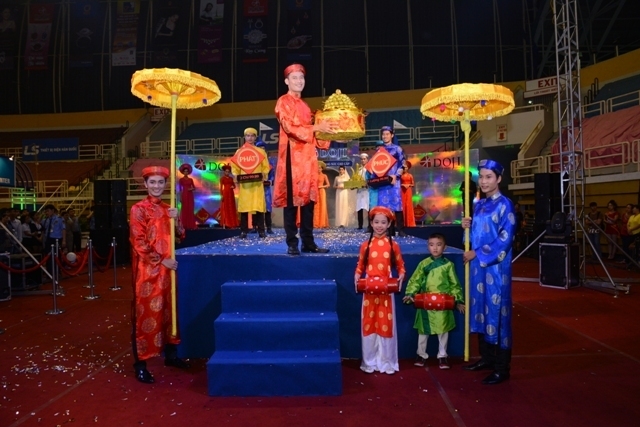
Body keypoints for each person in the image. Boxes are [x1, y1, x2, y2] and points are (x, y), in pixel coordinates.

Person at [129, 166, 188, 384]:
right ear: (145, 184)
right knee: (145, 314)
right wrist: (161, 260)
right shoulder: (138, 209)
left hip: (168, 272)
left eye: (160, 182)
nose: (156, 186)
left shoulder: (168, 209)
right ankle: (141, 364)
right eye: (152, 182)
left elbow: (181, 236)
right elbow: (138, 242)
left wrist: (177, 219)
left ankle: (171, 355)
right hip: (148, 272)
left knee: (169, 312)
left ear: (165, 184)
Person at [461, 159, 516, 385]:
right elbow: (475, 235)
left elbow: (505, 239)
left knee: (497, 313)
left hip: (496, 269)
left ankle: (502, 368)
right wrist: (466, 226)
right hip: (478, 270)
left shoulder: (506, 205)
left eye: (488, 177)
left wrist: (477, 253)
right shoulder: (479, 204)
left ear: (499, 179)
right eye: (481, 177)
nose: (483, 181)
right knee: (481, 310)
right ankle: (487, 358)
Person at [273, 63, 336, 255]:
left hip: (308, 159)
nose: (299, 81)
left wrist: (331, 132)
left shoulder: (306, 106)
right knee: (291, 202)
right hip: (291, 157)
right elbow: (289, 127)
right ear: (287, 81)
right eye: (294, 78)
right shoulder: (283, 101)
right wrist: (316, 128)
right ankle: (292, 243)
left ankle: (308, 242)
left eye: (301, 78)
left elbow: (315, 135)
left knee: (308, 201)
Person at [354, 206, 406, 375]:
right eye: (376, 222)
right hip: (369, 288)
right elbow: (360, 265)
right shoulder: (365, 245)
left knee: (385, 323)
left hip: (386, 288)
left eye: (383, 222)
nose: (379, 226)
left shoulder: (393, 245)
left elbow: (400, 266)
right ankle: (369, 361)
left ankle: (387, 361)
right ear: (371, 223)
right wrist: (357, 275)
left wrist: (401, 276)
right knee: (369, 323)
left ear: (389, 224)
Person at [403, 233, 465, 369]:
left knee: (443, 330)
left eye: (438, 245)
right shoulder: (423, 264)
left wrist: (458, 300)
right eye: (431, 245)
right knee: (423, 331)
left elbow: (454, 284)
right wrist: (410, 294)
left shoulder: (448, 265)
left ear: (445, 247)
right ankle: (421, 354)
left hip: (443, 304)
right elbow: (415, 280)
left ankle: (442, 355)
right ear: (428, 247)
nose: (435, 248)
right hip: (425, 303)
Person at [231, 128, 270, 239]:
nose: (250, 138)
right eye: (248, 135)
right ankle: (244, 231)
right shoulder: (239, 152)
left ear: (255, 137)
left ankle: (261, 231)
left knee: (259, 207)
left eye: (252, 135)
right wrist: (236, 175)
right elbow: (235, 167)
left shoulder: (261, 152)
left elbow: (265, 166)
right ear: (244, 137)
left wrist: (263, 175)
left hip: (257, 183)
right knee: (244, 207)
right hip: (245, 184)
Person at [376, 126, 406, 237]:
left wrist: (396, 176)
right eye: (383, 134)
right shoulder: (379, 150)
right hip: (383, 182)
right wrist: (376, 179)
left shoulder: (397, 149)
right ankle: (389, 230)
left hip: (394, 181)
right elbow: (376, 165)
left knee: (397, 205)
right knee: (384, 207)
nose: (385, 136)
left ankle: (401, 229)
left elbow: (403, 164)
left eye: (387, 134)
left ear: (392, 135)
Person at [255, 138, 275, 234]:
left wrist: (270, 181)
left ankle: (269, 227)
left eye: (263, 149)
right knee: (256, 207)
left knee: (267, 208)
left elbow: (272, 176)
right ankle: (255, 227)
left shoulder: (269, 162)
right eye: (260, 148)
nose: (262, 150)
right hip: (255, 187)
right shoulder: (254, 161)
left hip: (266, 188)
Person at [219, 164, 239, 229]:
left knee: (231, 207)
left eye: (228, 171)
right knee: (226, 207)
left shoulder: (231, 178)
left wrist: (233, 186)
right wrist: (221, 195)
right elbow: (221, 187)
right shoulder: (222, 178)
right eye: (226, 171)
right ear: (224, 172)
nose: (227, 173)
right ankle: (226, 223)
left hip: (231, 194)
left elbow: (234, 186)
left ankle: (233, 223)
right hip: (225, 193)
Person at [179, 164, 197, 230]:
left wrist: (191, 189)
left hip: (190, 195)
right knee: (184, 209)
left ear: (188, 172)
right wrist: (180, 197)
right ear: (183, 172)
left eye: (187, 171)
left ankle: (190, 224)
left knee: (190, 209)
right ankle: (184, 224)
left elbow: (194, 187)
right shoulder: (181, 180)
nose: (186, 172)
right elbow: (180, 189)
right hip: (184, 194)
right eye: (185, 171)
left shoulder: (191, 179)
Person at [355, 153, 370, 230]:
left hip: (367, 191)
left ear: (367, 160)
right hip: (360, 191)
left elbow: (371, 179)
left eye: (364, 159)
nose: (363, 160)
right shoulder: (359, 169)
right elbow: (355, 179)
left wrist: (367, 184)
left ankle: (370, 225)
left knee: (368, 208)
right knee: (359, 208)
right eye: (361, 159)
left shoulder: (370, 169)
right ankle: (360, 225)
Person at [314, 162, 330, 228]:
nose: (319, 169)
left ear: (322, 169)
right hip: (315, 191)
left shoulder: (324, 175)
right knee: (316, 207)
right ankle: (316, 223)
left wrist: (321, 186)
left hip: (322, 191)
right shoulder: (314, 175)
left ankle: (322, 223)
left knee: (322, 206)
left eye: (320, 168)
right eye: (318, 168)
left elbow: (328, 185)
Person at [400, 163, 416, 227]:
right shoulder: (400, 176)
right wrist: (402, 185)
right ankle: (402, 223)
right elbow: (398, 184)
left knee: (408, 204)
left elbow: (413, 184)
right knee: (402, 205)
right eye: (404, 167)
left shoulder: (410, 175)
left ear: (408, 168)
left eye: (406, 167)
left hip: (408, 190)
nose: (405, 169)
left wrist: (409, 185)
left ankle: (409, 222)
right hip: (402, 190)